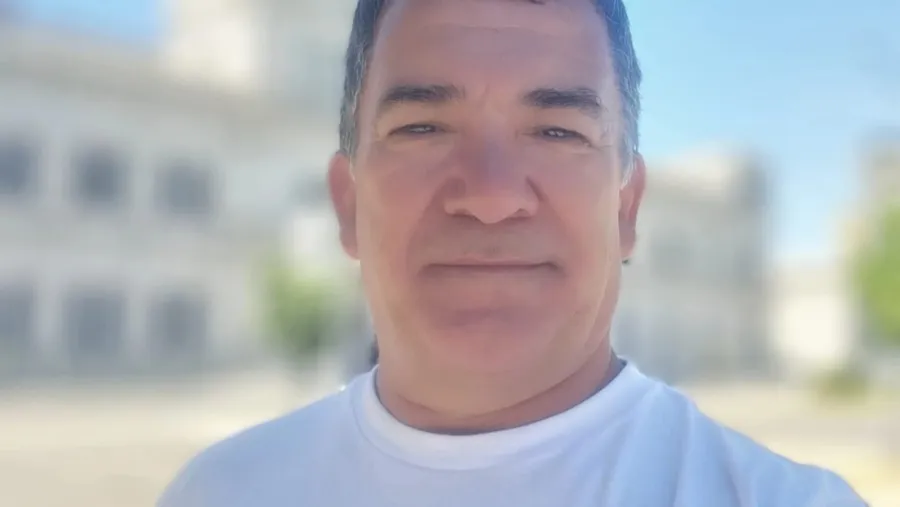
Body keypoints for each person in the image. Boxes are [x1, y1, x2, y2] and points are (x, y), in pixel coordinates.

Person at [158, 1, 867, 505]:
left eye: (557, 132)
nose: (491, 195)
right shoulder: (218, 492)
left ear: (626, 209)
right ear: (348, 205)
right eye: (424, 127)